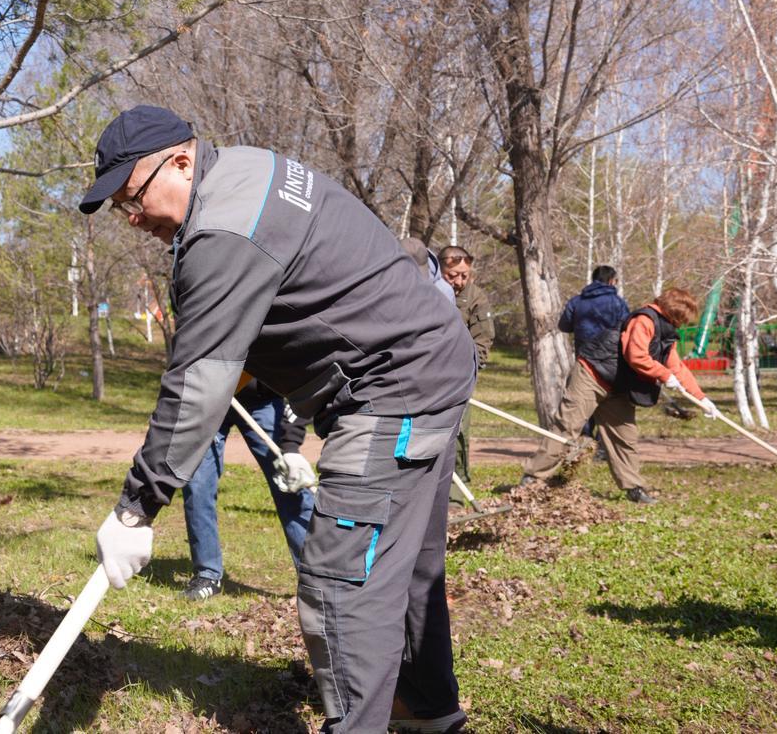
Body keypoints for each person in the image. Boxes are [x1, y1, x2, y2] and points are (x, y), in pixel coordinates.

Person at [78, 105, 477, 733]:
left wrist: (136, 507)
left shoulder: (220, 235)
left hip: (393, 385)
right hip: (430, 358)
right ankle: (425, 710)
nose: (132, 217)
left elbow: (197, 382)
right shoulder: (246, 168)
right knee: (409, 562)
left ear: (180, 160)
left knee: (342, 577)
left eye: (133, 196)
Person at [520, 288, 716, 503]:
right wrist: (663, 374)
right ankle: (532, 477)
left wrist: (702, 399)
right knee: (567, 425)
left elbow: (677, 367)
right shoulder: (644, 320)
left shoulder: (666, 331)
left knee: (625, 437)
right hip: (592, 373)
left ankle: (634, 488)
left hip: (618, 385)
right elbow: (637, 356)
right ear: (675, 312)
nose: (683, 324)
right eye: (683, 319)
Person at [180, 379, 315, 601]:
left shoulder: (285, 347)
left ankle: (315, 575)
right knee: (197, 485)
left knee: (290, 482)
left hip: (263, 400)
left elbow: (302, 386)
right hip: (210, 399)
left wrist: (290, 445)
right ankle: (207, 574)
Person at [559, 266, 631, 455]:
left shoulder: (577, 301)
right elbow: (627, 329)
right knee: (609, 403)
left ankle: (583, 444)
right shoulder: (618, 303)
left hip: (584, 360)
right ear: (611, 281)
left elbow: (564, 325)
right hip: (611, 362)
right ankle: (603, 447)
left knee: (581, 404)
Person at [439, 246, 494, 487]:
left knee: (459, 431)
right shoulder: (426, 289)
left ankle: (456, 492)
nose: (459, 281)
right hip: (424, 372)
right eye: (453, 275)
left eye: (465, 275)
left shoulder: (475, 297)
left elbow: (482, 339)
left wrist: (470, 371)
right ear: (441, 269)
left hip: (458, 376)